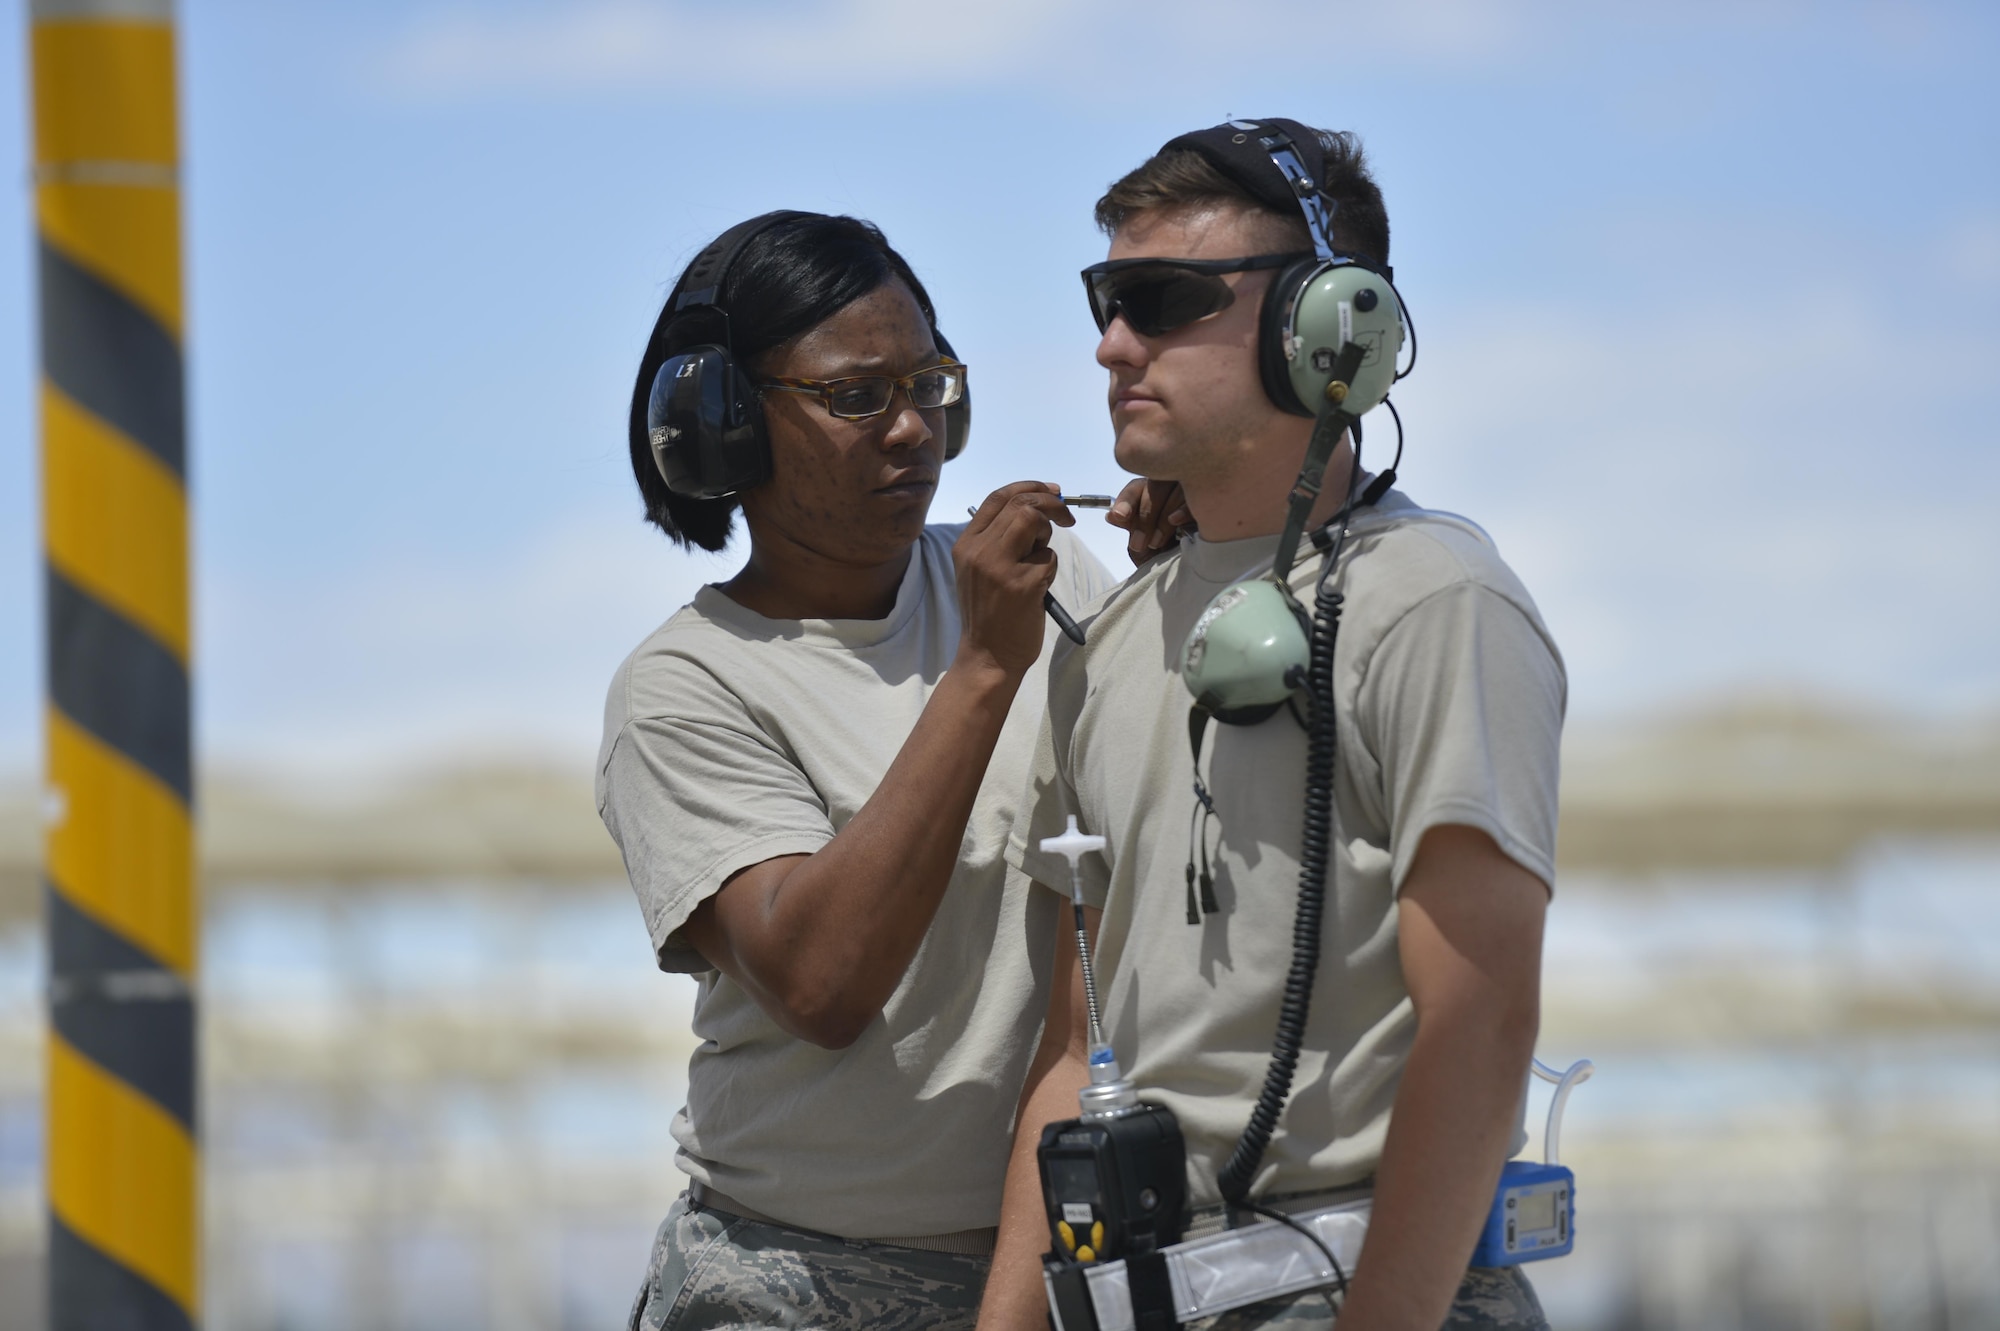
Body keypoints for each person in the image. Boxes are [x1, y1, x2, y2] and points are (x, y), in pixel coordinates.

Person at [978, 124, 1566, 1331]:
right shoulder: (1111, 642)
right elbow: (1074, 1044)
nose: (1109, 342)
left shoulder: (1434, 602)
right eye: (1104, 299)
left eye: (1157, 299)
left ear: (1327, 325)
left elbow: (1482, 1011)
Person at [597, 210, 1184, 1331]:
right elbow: (821, 979)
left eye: (932, 384)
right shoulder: (685, 685)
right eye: (858, 396)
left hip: (1054, 1262)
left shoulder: (1049, 577)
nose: (913, 428)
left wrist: (1186, 573)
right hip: (795, 1281)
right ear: (722, 424)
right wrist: (977, 673)